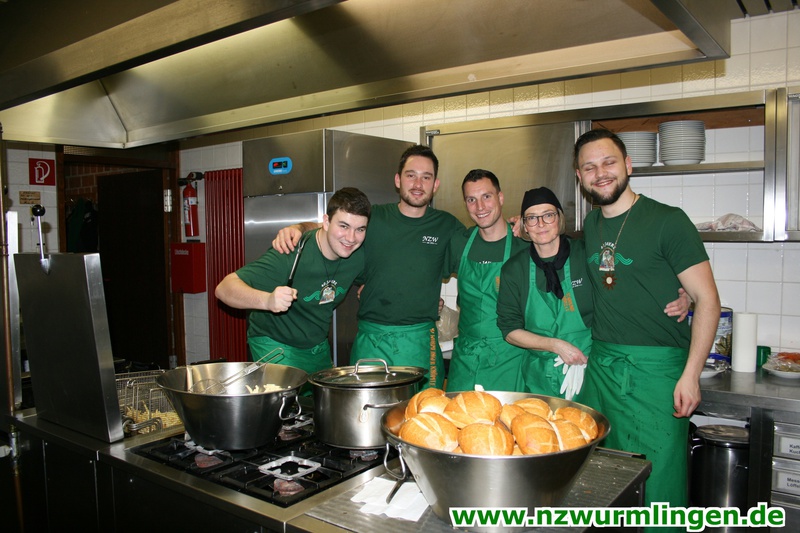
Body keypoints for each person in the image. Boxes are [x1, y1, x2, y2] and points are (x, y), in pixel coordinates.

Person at [573, 128, 721, 513]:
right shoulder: (591, 225)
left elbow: (708, 300)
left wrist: (691, 375)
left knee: (657, 486)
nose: (600, 173)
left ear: (628, 165)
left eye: (608, 162)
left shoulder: (668, 221)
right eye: (589, 167)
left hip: (656, 376)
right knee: (601, 484)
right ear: (579, 176)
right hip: (602, 371)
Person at [272, 145, 464, 388]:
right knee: (368, 407)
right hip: (372, 343)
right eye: (411, 175)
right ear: (398, 180)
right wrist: (299, 227)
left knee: (425, 408)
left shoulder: (447, 226)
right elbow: (334, 229)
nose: (418, 184)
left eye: (426, 177)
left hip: (420, 343)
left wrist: (512, 227)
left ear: (435, 184)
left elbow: (480, 253)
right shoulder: (374, 218)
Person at [497, 187, 689, 401]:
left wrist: (684, 294)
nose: (541, 224)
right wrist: (555, 345)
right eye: (532, 218)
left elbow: (632, 279)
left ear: (559, 218)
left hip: (591, 370)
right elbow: (509, 329)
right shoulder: (514, 269)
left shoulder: (587, 253)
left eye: (548, 215)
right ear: (524, 226)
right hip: (538, 377)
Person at [215, 187, 371, 376]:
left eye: (359, 229)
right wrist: (267, 300)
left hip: (317, 345)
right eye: (344, 226)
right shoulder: (291, 253)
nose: (351, 238)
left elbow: (372, 274)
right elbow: (224, 288)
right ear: (326, 222)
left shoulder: (357, 255)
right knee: (286, 395)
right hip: (276, 346)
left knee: (323, 394)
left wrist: (369, 285)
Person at [444, 169, 529, 392]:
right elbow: (424, 272)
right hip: (465, 359)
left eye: (487, 197)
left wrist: (531, 224)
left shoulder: (524, 245)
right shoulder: (460, 242)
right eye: (471, 200)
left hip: (509, 358)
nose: (480, 207)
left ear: (500, 197)